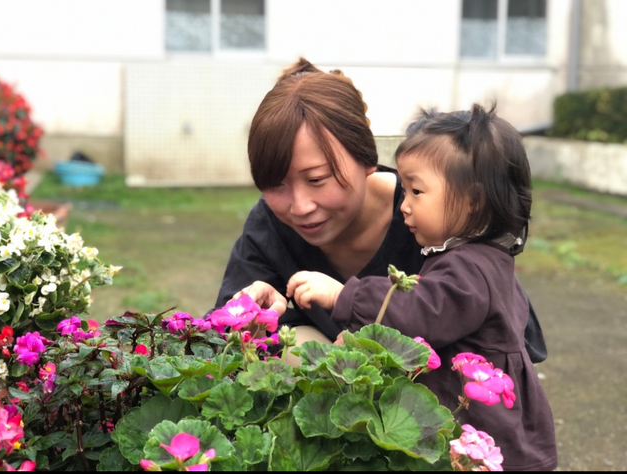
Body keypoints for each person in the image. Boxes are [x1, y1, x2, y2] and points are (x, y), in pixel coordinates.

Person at [214, 57, 547, 363]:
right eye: (275, 184)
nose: (300, 207)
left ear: (366, 158)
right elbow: (217, 338)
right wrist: (258, 318)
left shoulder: (438, 214)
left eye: (317, 179)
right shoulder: (269, 223)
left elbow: (512, 336)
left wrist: (360, 327)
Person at [285, 104, 558, 471]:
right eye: (404, 189)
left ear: (473, 200)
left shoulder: (471, 269)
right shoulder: (478, 258)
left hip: (486, 434)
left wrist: (343, 295)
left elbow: (420, 313)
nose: (404, 205)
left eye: (416, 191)